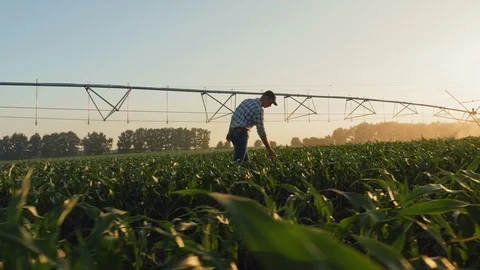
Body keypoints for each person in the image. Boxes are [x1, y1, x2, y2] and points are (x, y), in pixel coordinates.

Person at [226, 90, 278, 162]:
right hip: (241, 134)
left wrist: (229, 132)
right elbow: (261, 131)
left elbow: (233, 116)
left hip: (233, 133)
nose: (270, 106)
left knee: (245, 162)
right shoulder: (259, 110)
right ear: (267, 98)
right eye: (270, 103)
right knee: (239, 163)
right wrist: (269, 149)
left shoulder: (247, 101)